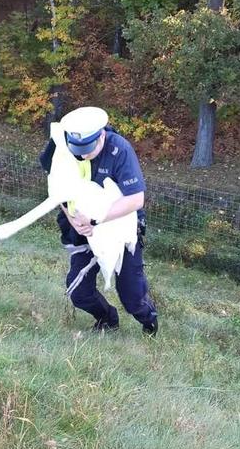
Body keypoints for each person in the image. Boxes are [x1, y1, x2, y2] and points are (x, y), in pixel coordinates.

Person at [39, 106, 159, 336]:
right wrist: (73, 221)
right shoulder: (62, 146)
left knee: (131, 296)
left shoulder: (119, 149)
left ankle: (149, 321)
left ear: (101, 135)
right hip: (82, 228)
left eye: (88, 149)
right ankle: (107, 318)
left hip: (119, 227)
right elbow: (57, 189)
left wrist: (96, 219)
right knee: (78, 292)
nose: (82, 155)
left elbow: (136, 199)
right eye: (78, 149)